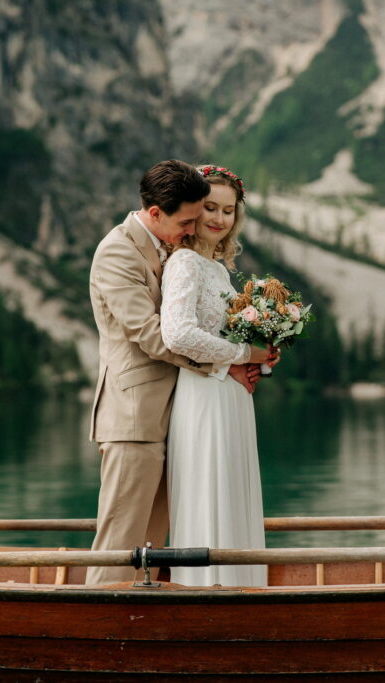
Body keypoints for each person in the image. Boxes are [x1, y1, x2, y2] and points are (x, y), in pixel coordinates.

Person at [85, 160, 267, 585]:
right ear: (155, 213)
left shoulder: (171, 248)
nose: (192, 228)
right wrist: (232, 360)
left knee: (155, 544)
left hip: (182, 415)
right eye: (187, 221)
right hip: (135, 415)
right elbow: (151, 335)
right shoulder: (117, 251)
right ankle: (99, 614)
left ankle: (146, 615)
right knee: (121, 539)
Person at [160, 164, 276, 586]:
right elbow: (177, 335)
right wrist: (244, 353)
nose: (219, 219)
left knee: (231, 490)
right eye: (210, 208)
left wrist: (262, 357)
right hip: (204, 396)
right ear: (193, 209)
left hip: (231, 396)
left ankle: (241, 586)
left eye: (228, 211)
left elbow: (223, 335)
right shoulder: (185, 262)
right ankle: (206, 589)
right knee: (210, 488)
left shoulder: (219, 269)